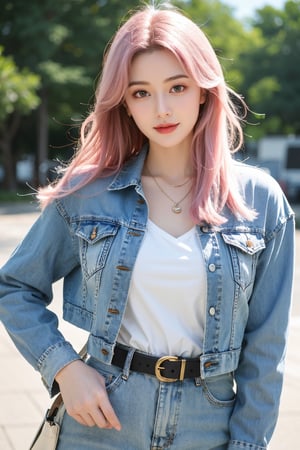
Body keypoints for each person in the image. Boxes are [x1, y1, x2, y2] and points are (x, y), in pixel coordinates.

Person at [0, 3, 295, 450]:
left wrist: (249, 444)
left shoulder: (260, 200)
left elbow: (265, 348)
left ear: (203, 89)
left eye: (176, 86)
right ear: (124, 101)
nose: (161, 108)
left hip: (207, 425)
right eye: (141, 92)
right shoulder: (89, 194)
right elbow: (15, 287)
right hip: (102, 418)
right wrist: (63, 367)